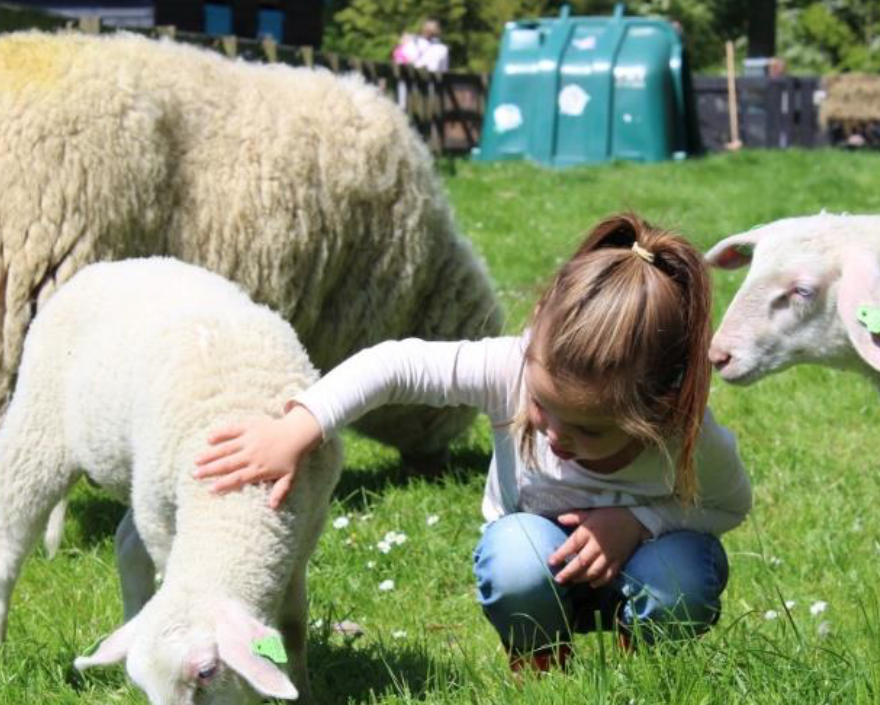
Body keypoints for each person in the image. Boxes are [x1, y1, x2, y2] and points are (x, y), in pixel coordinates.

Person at [193, 213, 752, 674]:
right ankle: (540, 667)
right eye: (542, 408)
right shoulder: (509, 367)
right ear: (536, 336)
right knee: (512, 558)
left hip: (638, 572)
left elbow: (730, 505)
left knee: (683, 574)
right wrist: (299, 426)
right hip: (538, 574)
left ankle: (648, 673)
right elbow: (394, 365)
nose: (556, 437)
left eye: (589, 431)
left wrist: (638, 524)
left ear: (658, 408)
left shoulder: (686, 435)